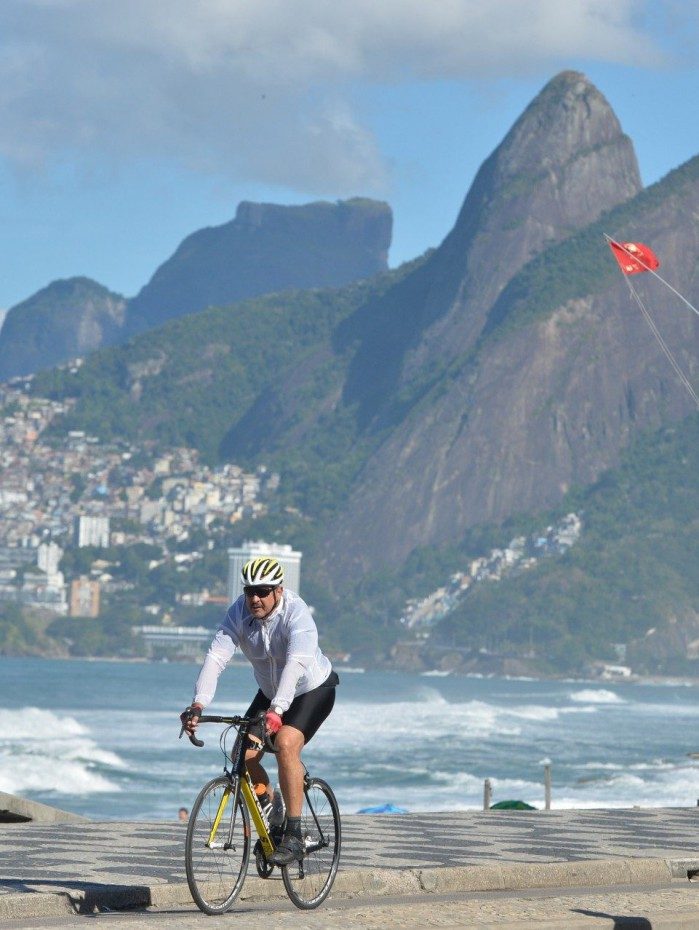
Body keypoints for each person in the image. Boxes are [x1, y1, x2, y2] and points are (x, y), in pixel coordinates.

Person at [181, 556, 338, 865]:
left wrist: (278, 711)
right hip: (269, 692)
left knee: (285, 745)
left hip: (312, 690)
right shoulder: (238, 613)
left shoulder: (298, 615)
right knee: (243, 752)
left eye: (263, 591)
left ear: (278, 591)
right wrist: (199, 704)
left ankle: (293, 835)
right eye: (249, 591)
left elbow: (295, 665)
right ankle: (271, 805)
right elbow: (216, 657)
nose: (254, 598)